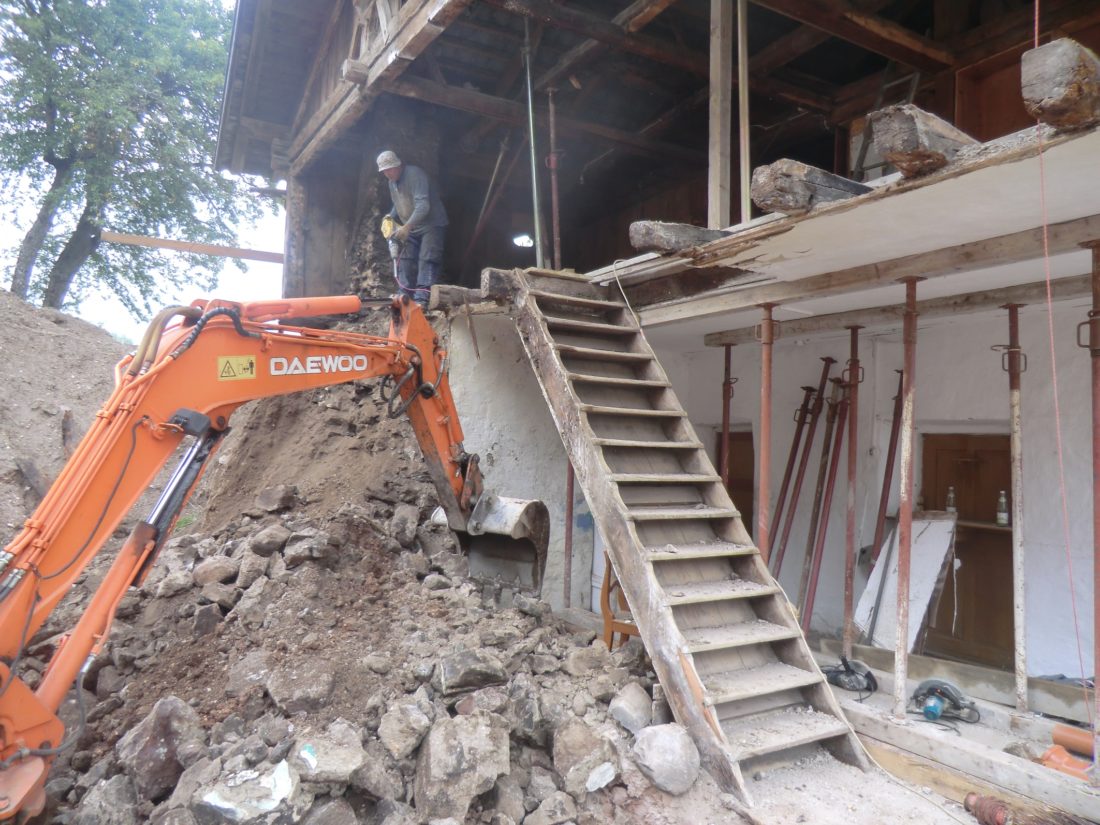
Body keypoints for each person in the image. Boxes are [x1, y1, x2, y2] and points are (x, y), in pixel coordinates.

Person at [377, 150, 448, 306]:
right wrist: (390, 216)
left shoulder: (415, 175)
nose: (388, 174)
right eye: (384, 171)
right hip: (412, 226)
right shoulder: (392, 183)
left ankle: (422, 299)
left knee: (427, 259)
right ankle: (405, 296)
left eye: (390, 169)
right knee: (405, 260)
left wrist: (406, 227)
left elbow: (423, 206)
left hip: (431, 224)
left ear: (398, 165)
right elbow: (398, 202)